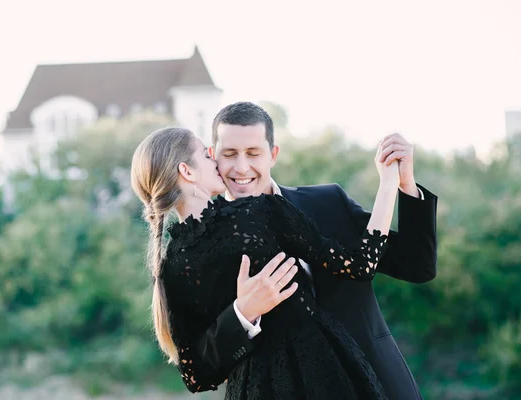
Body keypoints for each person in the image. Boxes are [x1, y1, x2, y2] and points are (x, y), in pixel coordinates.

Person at [130, 126, 402, 399]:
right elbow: (195, 376)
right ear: (187, 171)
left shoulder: (177, 264)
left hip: (311, 380)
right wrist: (242, 313)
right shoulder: (255, 215)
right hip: (317, 379)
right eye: (205, 155)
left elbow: (195, 377)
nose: (216, 162)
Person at [196, 102, 438, 399]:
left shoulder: (328, 203)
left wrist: (406, 185)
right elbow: (201, 365)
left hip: (377, 383)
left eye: (253, 153)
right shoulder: (204, 244)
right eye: (230, 154)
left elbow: (417, 265)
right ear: (212, 156)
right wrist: (243, 313)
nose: (242, 167)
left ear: (273, 155)